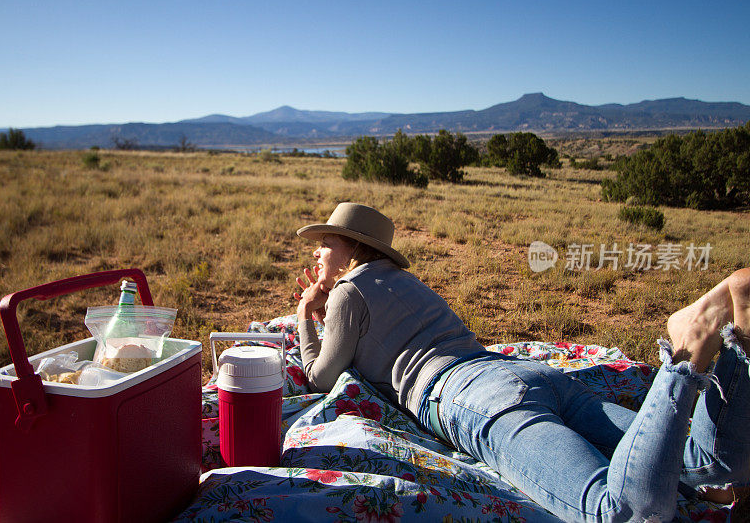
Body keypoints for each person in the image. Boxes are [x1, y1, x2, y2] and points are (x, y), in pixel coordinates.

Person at [293, 202, 750, 523]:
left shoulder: (349, 290)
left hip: (468, 394)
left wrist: (303, 313)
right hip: (523, 374)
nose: (316, 252)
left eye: (324, 243)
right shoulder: (404, 281)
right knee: (705, 463)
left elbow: (320, 376)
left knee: (622, 512)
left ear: (352, 249)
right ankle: (733, 333)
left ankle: (686, 356)